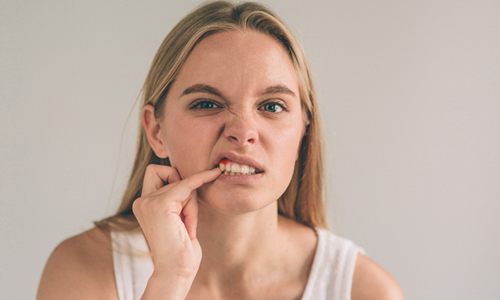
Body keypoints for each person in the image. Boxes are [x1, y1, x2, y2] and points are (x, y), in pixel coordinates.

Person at [37, 1, 404, 299]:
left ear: (304, 133)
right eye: (207, 104)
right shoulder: (84, 270)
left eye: (272, 106)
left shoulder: (364, 291)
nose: (243, 132)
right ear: (156, 129)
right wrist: (170, 279)